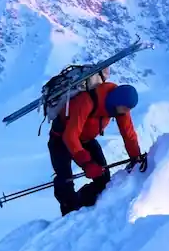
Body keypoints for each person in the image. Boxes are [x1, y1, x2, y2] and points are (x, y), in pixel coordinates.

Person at [48, 77, 146, 215]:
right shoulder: (87, 101)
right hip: (60, 140)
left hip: (86, 139)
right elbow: (69, 136)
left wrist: (136, 157)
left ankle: (83, 205)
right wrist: (87, 163)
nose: (126, 111)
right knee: (65, 179)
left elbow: (128, 134)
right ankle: (68, 212)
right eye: (125, 108)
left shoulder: (120, 107)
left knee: (103, 180)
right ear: (116, 101)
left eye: (128, 109)